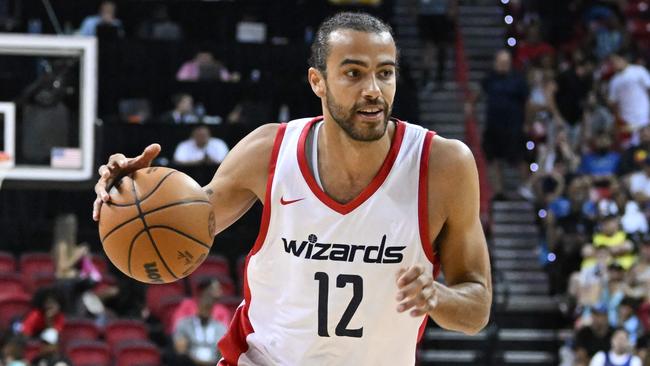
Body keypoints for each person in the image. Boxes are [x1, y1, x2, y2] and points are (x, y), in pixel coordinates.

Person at [93, 12, 492, 365]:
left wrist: (437, 297)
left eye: (384, 73)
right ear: (317, 81)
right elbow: (192, 222)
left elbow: (477, 307)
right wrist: (129, 196)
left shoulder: (443, 166)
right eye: (353, 73)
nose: (373, 88)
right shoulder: (269, 152)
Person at [480, 49, 529, 199]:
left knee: (520, 158)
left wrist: (527, 122)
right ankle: (499, 191)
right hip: (493, 127)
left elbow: (527, 102)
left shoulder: (518, 80)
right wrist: (470, 105)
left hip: (514, 127)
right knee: (493, 159)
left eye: (506, 62)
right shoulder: (489, 79)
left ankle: (526, 189)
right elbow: (479, 93)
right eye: (500, 62)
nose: (503, 65)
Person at [173, 288, 228, 366]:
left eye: (208, 306)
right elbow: (180, 350)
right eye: (203, 305)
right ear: (198, 306)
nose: (205, 310)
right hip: (190, 362)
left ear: (212, 308)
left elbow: (223, 352)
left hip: (213, 363)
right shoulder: (185, 324)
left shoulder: (221, 328)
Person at [608, 52, 650, 146]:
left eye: (616, 60)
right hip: (627, 121)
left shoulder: (638, 71)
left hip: (644, 116)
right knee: (631, 150)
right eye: (612, 62)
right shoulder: (614, 81)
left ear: (624, 59)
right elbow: (613, 103)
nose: (614, 64)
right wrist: (619, 120)